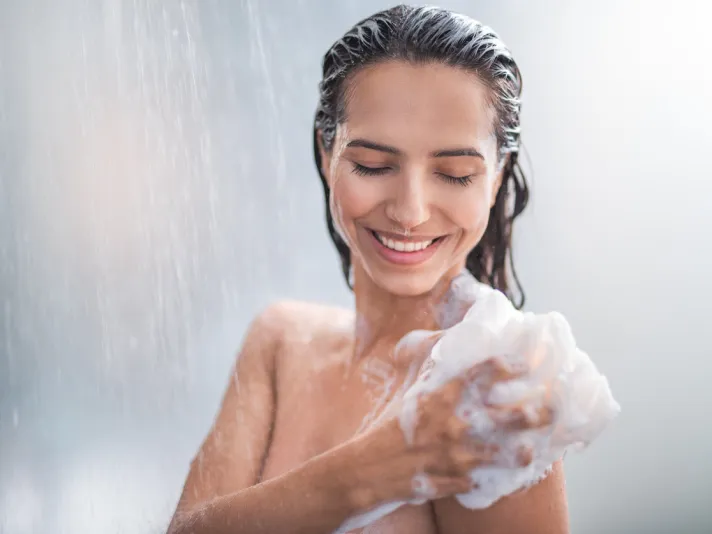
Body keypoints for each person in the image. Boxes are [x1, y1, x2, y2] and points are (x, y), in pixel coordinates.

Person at [167, 5, 569, 533]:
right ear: (326, 149)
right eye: (373, 166)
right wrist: (386, 464)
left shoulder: (491, 396)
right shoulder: (280, 342)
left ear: (496, 180)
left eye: (455, 174)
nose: (410, 211)